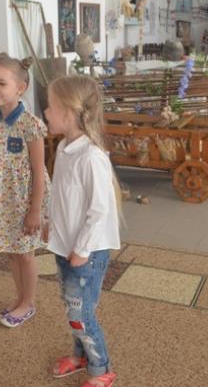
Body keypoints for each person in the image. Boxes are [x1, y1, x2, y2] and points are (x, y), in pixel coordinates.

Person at [44, 75, 121, 387]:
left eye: (50, 106)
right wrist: (51, 224)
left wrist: (82, 249)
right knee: (72, 307)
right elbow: (62, 197)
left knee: (81, 314)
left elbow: (100, 210)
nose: (45, 112)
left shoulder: (91, 157)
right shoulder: (65, 148)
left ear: (68, 113)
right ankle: (80, 356)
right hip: (66, 246)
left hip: (86, 253)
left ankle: (102, 369)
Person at [0, 53, 50, 328]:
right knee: (11, 250)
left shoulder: (30, 125)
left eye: (1, 83)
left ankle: (28, 303)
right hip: (2, 201)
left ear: (20, 88)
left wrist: (35, 210)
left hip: (25, 201)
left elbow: (39, 171)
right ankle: (20, 298)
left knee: (25, 253)